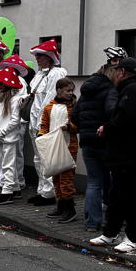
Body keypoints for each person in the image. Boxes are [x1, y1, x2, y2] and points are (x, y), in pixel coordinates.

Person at [90, 57, 136, 253]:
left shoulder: (132, 90)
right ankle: (110, 233)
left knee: (130, 195)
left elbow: (125, 118)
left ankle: (134, 237)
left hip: (129, 153)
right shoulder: (131, 89)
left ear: (122, 72)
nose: (114, 75)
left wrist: (106, 128)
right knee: (117, 194)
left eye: (116, 71)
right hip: (123, 153)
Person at [75, 47, 124, 232]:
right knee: (110, 181)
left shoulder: (86, 90)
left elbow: (75, 116)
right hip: (104, 141)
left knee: (94, 182)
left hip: (87, 142)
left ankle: (91, 222)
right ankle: (109, 218)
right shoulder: (111, 91)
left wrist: (84, 129)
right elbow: (112, 113)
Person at [26, 40, 68, 206]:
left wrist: (42, 123)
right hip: (35, 122)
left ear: (49, 57)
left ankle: (49, 193)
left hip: (45, 123)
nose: (37, 59)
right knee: (38, 158)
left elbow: (49, 100)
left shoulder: (56, 74)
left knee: (46, 158)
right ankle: (42, 190)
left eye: (40, 56)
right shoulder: (40, 74)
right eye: (37, 56)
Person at [40, 76, 79, 222]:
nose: (70, 93)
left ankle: (70, 209)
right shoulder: (49, 107)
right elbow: (44, 125)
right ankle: (61, 206)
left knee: (66, 179)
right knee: (56, 177)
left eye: (72, 91)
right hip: (53, 146)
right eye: (68, 90)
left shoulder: (73, 107)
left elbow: (77, 125)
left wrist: (69, 127)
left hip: (69, 146)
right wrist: (41, 135)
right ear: (59, 91)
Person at [0, 67, 28, 205]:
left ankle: (7, 192)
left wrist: (1, 132)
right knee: (6, 164)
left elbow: (14, 121)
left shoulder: (14, 99)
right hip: (1, 137)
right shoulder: (2, 99)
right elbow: (0, 119)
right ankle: (15, 188)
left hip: (8, 137)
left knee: (8, 165)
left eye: (0, 83)